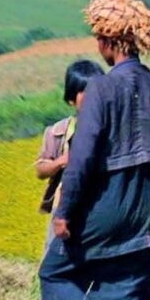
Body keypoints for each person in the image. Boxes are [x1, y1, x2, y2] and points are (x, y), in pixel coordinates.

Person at [39, 0, 150, 300]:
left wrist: (65, 212)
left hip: (110, 200)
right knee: (133, 292)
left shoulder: (100, 88)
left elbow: (83, 157)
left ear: (107, 41)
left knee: (55, 271)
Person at [33, 60, 105, 217]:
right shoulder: (58, 132)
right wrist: (62, 161)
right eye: (86, 92)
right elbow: (40, 170)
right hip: (65, 210)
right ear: (71, 98)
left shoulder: (112, 128)